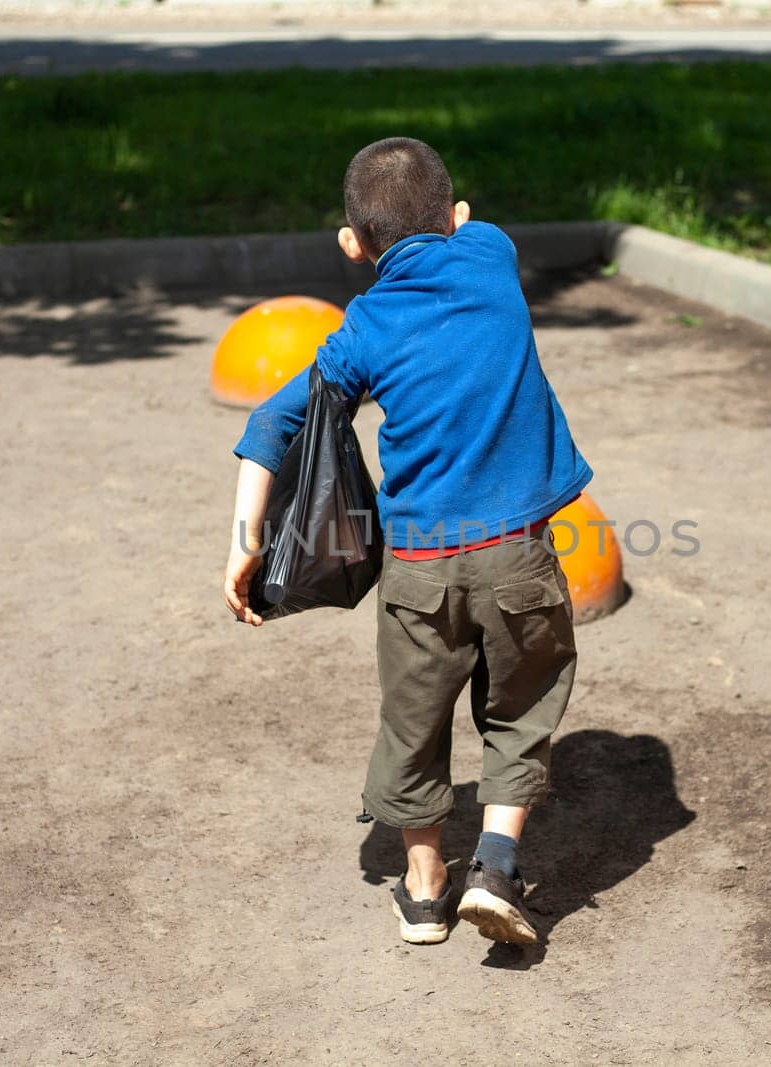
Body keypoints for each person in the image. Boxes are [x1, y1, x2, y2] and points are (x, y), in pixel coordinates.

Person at [222, 137, 591, 945]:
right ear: (457, 218)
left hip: (419, 568)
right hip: (518, 553)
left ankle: (425, 890)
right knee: (522, 702)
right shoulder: (491, 254)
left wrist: (248, 541)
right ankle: (496, 865)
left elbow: (271, 422)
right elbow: (462, 224)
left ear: (352, 246)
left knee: (413, 720)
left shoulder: (360, 331)